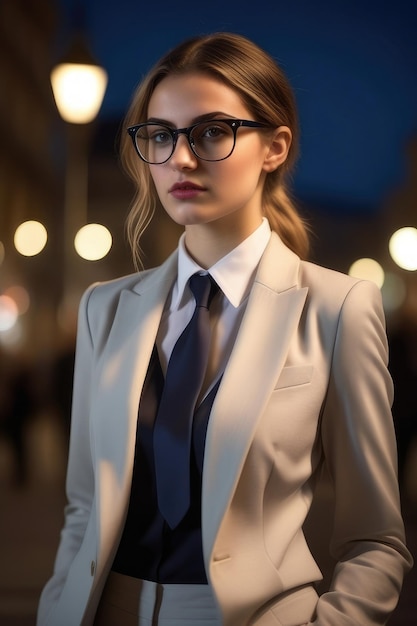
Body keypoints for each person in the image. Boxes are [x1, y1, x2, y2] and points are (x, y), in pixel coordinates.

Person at [37, 32, 413, 626]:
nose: (181, 158)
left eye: (212, 132)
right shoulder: (102, 310)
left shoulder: (337, 309)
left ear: (275, 147)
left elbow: (375, 538)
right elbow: (84, 508)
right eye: (161, 135)